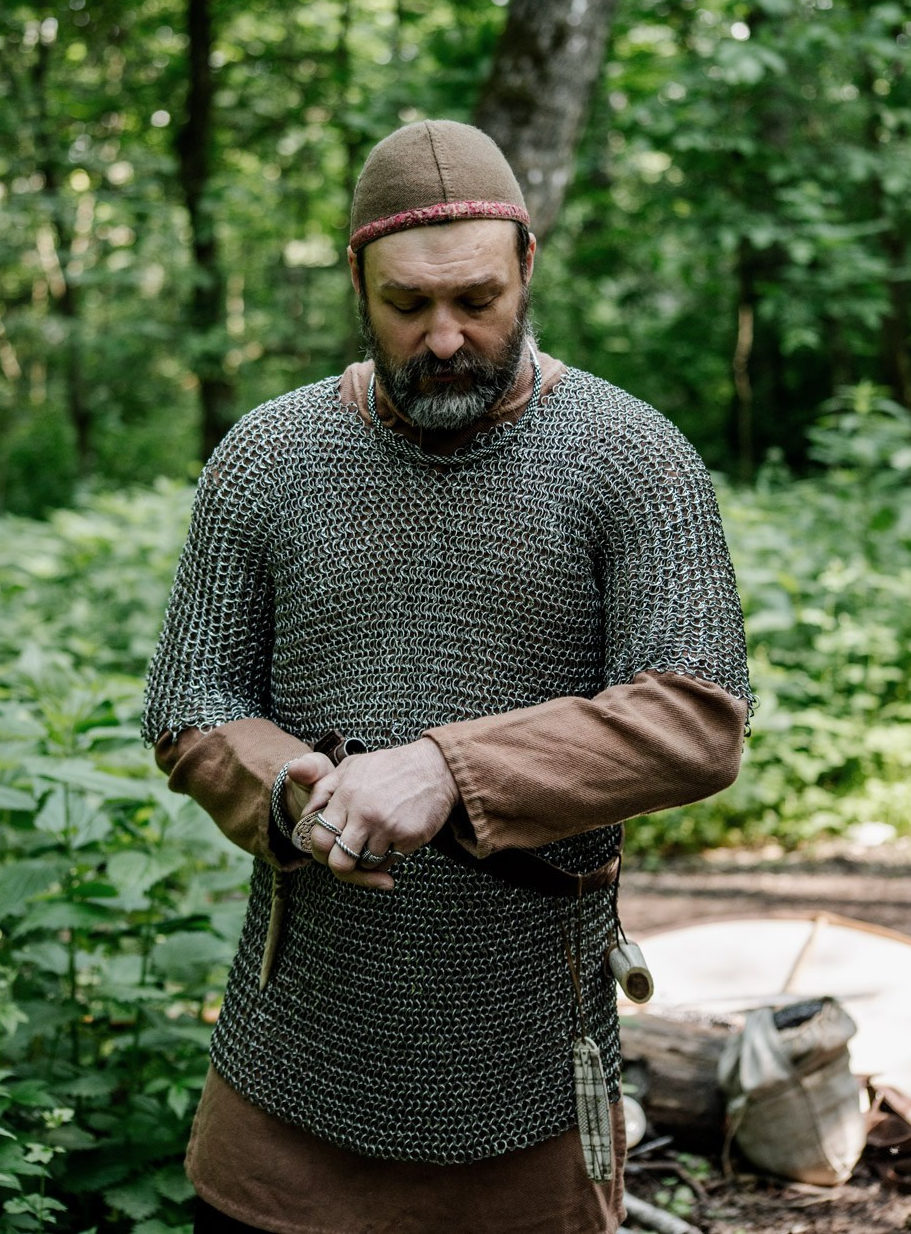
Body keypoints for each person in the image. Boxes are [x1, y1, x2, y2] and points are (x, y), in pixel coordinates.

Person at [141, 119, 751, 1234]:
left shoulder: (629, 457)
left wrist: (446, 768)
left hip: (519, 1060)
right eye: (405, 305)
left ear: (525, 263)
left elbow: (694, 719)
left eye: (474, 299)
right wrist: (288, 790)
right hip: (296, 1066)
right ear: (355, 285)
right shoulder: (265, 460)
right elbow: (194, 705)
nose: (441, 338)